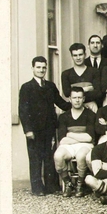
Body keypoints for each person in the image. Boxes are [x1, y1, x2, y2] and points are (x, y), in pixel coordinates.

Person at [18, 56, 71, 196]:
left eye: (43, 67)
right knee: (35, 158)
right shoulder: (26, 87)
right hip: (34, 130)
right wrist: (28, 130)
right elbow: (23, 111)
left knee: (49, 157)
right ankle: (37, 188)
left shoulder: (50, 86)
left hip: (49, 128)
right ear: (33, 68)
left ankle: (51, 186)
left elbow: (60, 102)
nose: (41, 70)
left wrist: (76, 105)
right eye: (38, 67)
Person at [53, 86, 96, 198]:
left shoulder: (90, 115)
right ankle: (68, 183)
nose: (77, 100)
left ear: (83, 99)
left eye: (79, 97)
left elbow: (89, 138)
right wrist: (79, 136)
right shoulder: (63, 116)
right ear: (70, 99)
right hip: (68, 145)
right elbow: (62, 139)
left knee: (81, 156)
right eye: (74, 97)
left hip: (85, 145)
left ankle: (79, 185)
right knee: (58, 156)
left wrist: (70, 134)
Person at [61, 42, 101, 112]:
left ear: (85, 55)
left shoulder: (94, 72)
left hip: (91, 106)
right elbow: (67, 93)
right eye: (75, 55)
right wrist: (87, 89)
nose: (78, 58)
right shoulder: (66, 74)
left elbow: (97, 93)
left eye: (80, 55)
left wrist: (74, 91)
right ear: (72, 56)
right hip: (73, 106)